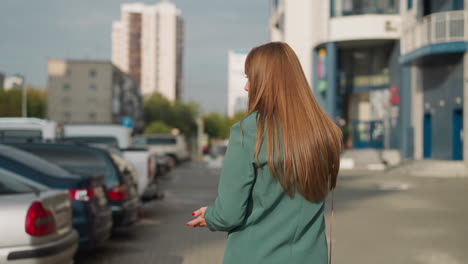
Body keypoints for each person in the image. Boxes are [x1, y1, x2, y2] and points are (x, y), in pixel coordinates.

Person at [187, 42, 342, 264]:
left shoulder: (248, 131)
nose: (247, 87)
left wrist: (211, 216)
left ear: (266, 82)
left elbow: (229, 214)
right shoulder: (326, 133)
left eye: (250, 78)